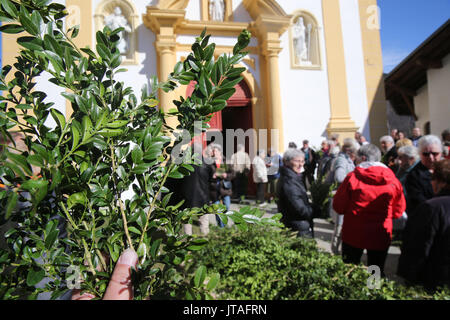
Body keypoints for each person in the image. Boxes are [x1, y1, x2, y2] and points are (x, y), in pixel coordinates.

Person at [333, 144, 406, 276]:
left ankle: (353, 294)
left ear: (363, 158)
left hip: (354, 231)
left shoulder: (352, 178)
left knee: (350, 269)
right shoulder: (393, 180)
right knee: (375, 270)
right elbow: (398, 211)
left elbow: (339, 206)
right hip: (380, 232)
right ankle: (373, 293)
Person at [397, 159, 450, 289]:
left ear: (440, 182)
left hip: (437, 280)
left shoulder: (432, 208)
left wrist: (409, 279)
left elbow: (418, 246)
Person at [165, 143, 214, 236]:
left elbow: (178, 180)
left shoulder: (183, 164)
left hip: (187, 197)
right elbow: (211, 179)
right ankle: (206, 239)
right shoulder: (207, 163)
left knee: (187, 220)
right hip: (203, 197)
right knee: (203, 219)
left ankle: (188, 241)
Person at [326, 138, 360, 255]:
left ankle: (336, 251)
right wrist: (355, 181)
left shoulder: (346, 160)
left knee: (342, 225)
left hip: (345, 196)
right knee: (340, 226)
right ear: (350, 152)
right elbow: (339, 177)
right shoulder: (341, 161)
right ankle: (334, 252)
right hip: (343, 197)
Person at [276, 148, 314, 238]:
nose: (301, 164)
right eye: (297, 161)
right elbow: (299, 208)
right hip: (296, 226)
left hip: (299, 225)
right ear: (286, 161)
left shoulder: (294, 177)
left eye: (302, 161)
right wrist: (316, 211)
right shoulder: (289, 181)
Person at [404, 135, 443, 218]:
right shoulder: (413, 175)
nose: (431, 157)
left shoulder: (446, 170)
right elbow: (419, 201)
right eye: (426, 154)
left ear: (441, 153)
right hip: (427, 218)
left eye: (435, 154)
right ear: (420, 154)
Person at [207, 144, 234, 227]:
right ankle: (221, 227)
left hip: (225, 188)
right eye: (213, 151)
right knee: (217, 210)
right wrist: (212, 177)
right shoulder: (209, 163)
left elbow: (233, 173)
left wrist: (226, 175)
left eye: (215, 151)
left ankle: (224, 224)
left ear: (220, 152)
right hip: (214, 189)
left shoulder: (226, 161)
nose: (213, 153)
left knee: (227, 207)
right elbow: (206, 177)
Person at [394, 145, 420, 231]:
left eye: (401, 157)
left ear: (411, 158)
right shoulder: (403, 167)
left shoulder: (417, 171)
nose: (398, 159)